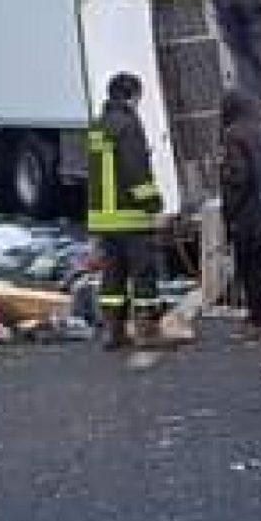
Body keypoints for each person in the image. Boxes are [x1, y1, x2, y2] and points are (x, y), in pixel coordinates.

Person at [87, 72, 165, 348]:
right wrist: (155, 204)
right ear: (131, 95)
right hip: (130, 217)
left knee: (112, 277)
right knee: (143, 274)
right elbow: (136, 172)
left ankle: (113, 332)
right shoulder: (129, 125)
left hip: (104, 220)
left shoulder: (98, 126)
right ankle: (146, 330)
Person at [218, 89, 261, 334]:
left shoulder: (232, 136)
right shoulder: (257, 131)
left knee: (246, 265)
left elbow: (236, 177)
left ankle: (255, 318)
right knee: (255, 266)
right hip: (259, 208)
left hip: (243, 211)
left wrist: (229, 211)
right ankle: (258, 315)